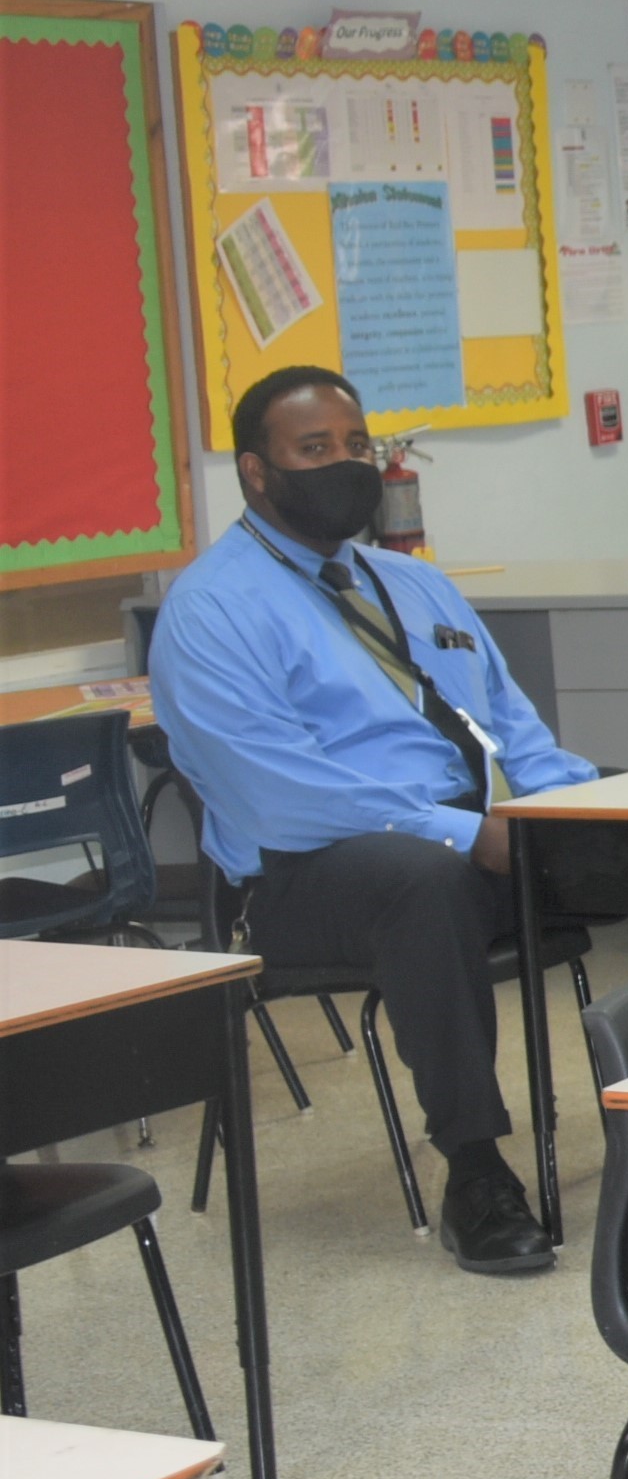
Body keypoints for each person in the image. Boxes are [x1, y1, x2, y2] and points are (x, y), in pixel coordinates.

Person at [148, 367, 599, 1277]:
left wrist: (582, 806)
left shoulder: (413, 584)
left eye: (356, 446)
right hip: (302, 876)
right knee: (419, 878)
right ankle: (476, 1174)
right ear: (256, 473)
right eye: (315, 450)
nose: (346, 466)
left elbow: (513, 724)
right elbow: (282, 794)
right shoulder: (211, 611)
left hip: (475, 835)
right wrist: (467, 833)